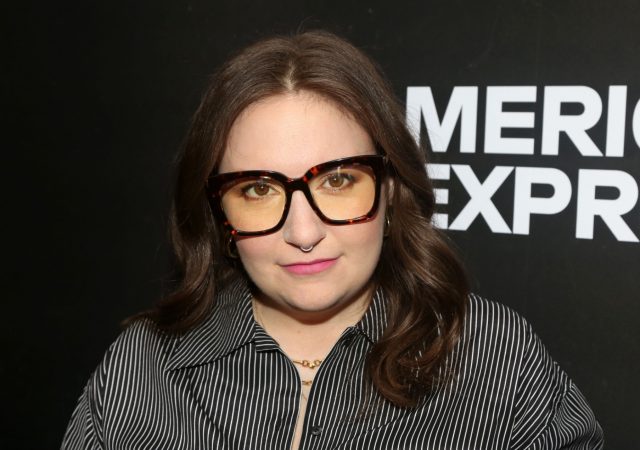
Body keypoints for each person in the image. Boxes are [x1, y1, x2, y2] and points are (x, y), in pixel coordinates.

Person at [62, 30, 603, 449]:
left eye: (338, 181)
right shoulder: (145, 363)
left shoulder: (496, 357)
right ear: (219, 213)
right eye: (258, 189)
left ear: (389, 190)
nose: (303, 233)